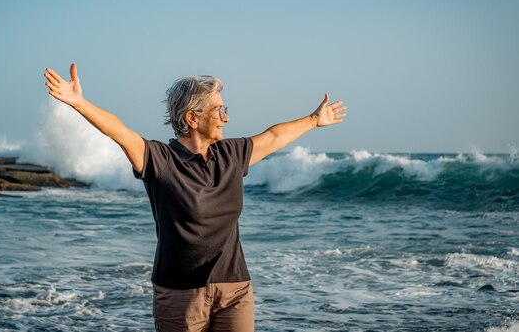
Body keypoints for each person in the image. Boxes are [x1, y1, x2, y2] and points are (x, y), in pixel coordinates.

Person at [43, 63, 346, 332]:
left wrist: (314, 119)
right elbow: (121, 133)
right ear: (192, 117)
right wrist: (79, 103)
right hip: (180, 294)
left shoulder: (231, 155)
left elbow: (274, 136)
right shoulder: (160, 161)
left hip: (235, 289)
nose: (225, 118)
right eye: (218, 110)